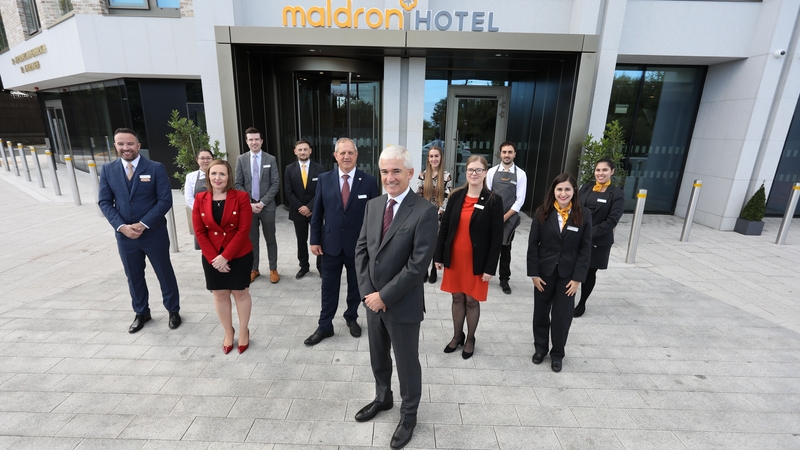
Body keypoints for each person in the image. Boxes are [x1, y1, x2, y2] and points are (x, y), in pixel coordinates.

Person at [354, 145, 438, 450]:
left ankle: (408, 415)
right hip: (372, 302)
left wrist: (384, 296)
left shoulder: (425, 212)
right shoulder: (374, 206)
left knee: (406, 363)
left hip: (402, 304)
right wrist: (368, 293)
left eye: (396, 171)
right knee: (378, 357)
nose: (390, 178)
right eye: (385, 171)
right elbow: (361, 250)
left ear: (411, 174)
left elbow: (418, 266)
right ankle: (383, 397)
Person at [98, 127, 181, 333]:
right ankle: (141, 312)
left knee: (164, 272)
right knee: (133, 275)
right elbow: (105, 202)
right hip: (125, 236)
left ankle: (173, 310)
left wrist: (143, 224)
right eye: (121, 144)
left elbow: (164, 200)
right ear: (115, 146)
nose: (126, 148)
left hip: (154, 233)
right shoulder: (108, 170)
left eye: (130, 143)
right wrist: (121, 227)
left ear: (138, 146)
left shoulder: (155, 168)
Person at [305, 137, 379, 345]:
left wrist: (372, 245)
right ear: (335, 156)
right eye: (342, 153)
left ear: (356, 155)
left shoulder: (370, 181)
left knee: (356, 286)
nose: (346, 156)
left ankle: (351, 317)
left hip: (358, 247)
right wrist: (314, 240)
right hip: (330, 245)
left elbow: (374, 216)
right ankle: (324, 326)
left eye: (350, 153)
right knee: (328, 287)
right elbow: (317, 212)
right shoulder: (325, 179)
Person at [434, 156, 504, 359]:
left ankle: (471, 338)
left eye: (478, 170)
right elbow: (444, 227)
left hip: (477, 262)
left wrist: (490, 268)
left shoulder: (493, 200)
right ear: (466, 172)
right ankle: (457, 336)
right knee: (457, 297)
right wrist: (438, 255)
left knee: (472, 300)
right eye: (470, 170)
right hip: (455, 258)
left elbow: (496, 238)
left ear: (485, 172)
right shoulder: (456, 196)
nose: (474, 173)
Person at [527, 173, 592, 373]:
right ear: (553, 191)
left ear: (574, 192)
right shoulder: (542, 212)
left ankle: (557, 354)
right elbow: (533, 245)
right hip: (544, 274)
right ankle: (540, 348)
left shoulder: (584, 215)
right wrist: (534, 274)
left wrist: (577, 279)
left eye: (567, 190)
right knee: (540, 313)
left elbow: (585, 249)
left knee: (562, 317)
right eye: (559, 189)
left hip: (568, 276)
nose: (563, 194)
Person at [193, 160, 254, 354]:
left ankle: (243, 331)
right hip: (212, 256)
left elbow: (244, 230)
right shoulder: (200, 198)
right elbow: (199, 232)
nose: (217, 178)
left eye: (222, 174)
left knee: (240, 293)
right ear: (208, 176)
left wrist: (226, 256)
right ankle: (229, 332)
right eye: (213, 174)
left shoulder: (241, 197)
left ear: (229, 177)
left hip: (239, 254)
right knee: (219, 295)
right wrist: (215, 258)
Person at [575, 159, 624, 317]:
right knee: (571, 268)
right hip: (578, 236)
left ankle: (581, 303)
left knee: (589, 272)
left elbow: (611, 221)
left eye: (604, 170)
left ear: (612, 172)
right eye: (598, 170)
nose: (600, 173)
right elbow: (575, 209)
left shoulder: (616, 194)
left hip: (598, 240)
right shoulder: (586, 188)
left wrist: (588, 233)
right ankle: (567, 299)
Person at [234, 127, 280, 284]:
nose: (254, 142)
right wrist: (249, 203)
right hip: (248, 207)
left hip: (266, 207)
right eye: (250, 140)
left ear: (261, 141)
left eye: (256, 139)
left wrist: (262, 202)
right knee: (252, 240)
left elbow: (275, 183)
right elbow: (237, 184)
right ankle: (254, 269)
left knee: (270, 239)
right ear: (246, 142)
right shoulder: (241, 159)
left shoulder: (270, 159)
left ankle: (273, 268)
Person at [486, 141, 527, 295]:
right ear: (500, 153)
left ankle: (504, 279)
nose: (507, 155)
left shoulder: (521, 174)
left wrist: (504, 217)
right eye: (504, 152)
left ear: (514, 154)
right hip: (491, 217)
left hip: (509, 218)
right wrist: (494, 216)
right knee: (488, 247)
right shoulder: (491, 172)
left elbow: (520, 200)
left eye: (510, 152)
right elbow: (488, 194)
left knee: (505, 248)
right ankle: (485, 273)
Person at [284, 140, 324, 279]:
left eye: (305, 149)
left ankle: (321, 267)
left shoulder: (320, 169)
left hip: (315, 211)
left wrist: (310, 207)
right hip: (298, 211)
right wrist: (301, 207)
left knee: (318, 239)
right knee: (301, 240)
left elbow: (321, 191)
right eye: (300, 150)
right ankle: (304, 267)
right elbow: (288, 192)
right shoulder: (289, 169)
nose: (303, 152)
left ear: (310, 151)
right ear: (295, 151)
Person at [416, 145, 452, 284]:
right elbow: (419, 194)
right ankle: (424, 269)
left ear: (441, 158)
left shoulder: (447, 175)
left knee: (436, 243)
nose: (434, 159)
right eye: (431, 156)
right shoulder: (423, 174)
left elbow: (448, 196)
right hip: (425, 214)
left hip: (440, 214)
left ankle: (434, 271)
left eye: (436, 156)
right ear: (428, 158)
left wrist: (440, 210)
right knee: (424, 243)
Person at [184, 149, 214, 250]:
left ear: (212, 159)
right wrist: (201, 211)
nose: (205, 161)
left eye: (208, 158)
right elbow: (189, 198)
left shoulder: (218, 174)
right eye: (202, 158)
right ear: (197, 160)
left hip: (217, 213)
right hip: (200, 216)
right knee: (204, 245)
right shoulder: (190, 177)